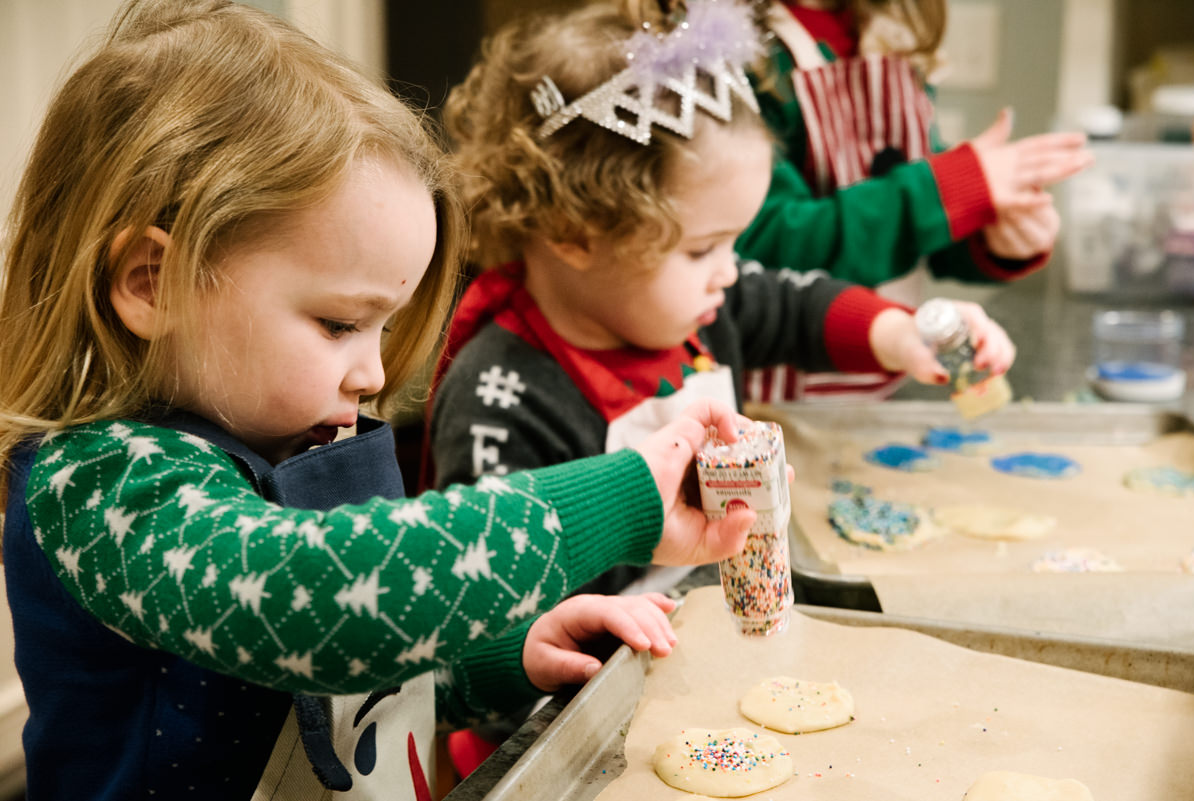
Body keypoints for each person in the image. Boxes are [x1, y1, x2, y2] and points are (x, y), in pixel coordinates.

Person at [0, 2, 760, 799]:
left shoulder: (286, 434)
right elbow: (319, 596)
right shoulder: (102, 487)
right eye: (338, 323)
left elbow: (335, 687)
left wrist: (502, 656)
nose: (372, 373)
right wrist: (622, 498)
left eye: (385, 326)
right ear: (154, 283)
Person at [427, 0, 1015, 578]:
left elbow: (797, 309)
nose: (730, 272)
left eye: (734, 243)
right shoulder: (499, 400)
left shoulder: (703, 311)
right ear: (574, 232)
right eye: (702, 249)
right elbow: (487, 616)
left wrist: (901, 333)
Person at [734, 0, 1092, 400]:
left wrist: (989, 237)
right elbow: (762, 250)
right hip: (777, 392)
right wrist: (944, 192)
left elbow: (918, 222)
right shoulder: (735, 51)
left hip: (892, 371)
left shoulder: (890, 32)